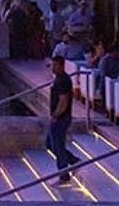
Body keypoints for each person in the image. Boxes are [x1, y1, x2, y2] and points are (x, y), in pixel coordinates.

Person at [47, 56, 78, 184]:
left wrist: (56, 115)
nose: (52, 68)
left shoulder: (63, 80)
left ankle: (64, 175)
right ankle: (74, 161)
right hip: (58, 117)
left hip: (61, 118)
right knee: (50, 144)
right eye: (52, 65)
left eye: (55, 65)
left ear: (61, 66)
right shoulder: (58, 79)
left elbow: (63, 100)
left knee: (58, 145)